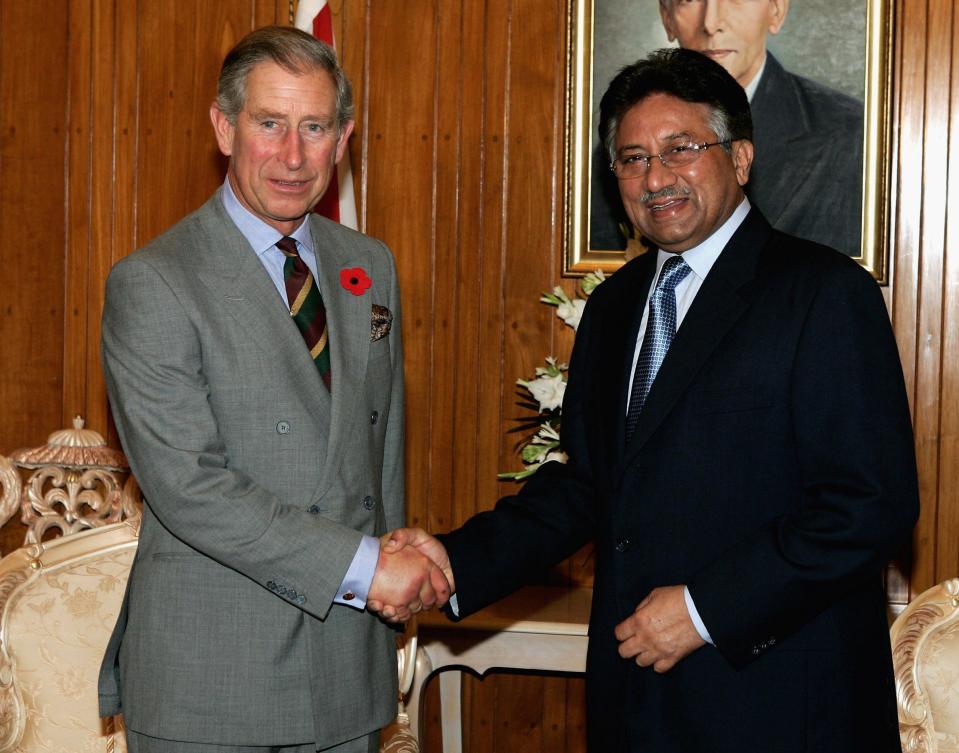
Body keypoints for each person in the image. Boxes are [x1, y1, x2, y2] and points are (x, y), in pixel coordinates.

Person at [381, 48, 917, 752]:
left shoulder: (821, 293)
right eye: (631, 159)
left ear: (741, 157)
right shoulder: (613, 308)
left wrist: (704, 609)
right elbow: (585, 484)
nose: (655, 177)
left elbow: (868, 504)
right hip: (639, 703)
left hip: (782, 703)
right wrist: (456, 560)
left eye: (680, 148)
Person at [97, 26, 448, 753]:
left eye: (314, 127)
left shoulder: (367, 264)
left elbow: (376, 444)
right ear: (224, 128)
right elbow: (190, 486)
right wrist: (367, 567)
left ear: (343, 138)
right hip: (212, 680)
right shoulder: (155, 282)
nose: (293, 156)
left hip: (346, 669)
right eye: (269, 124)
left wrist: (392, 545)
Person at [592, 0, 864, 258]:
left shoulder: (848, 132)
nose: (711, 23)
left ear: (777, 10)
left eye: (680, 149)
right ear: (667, 18)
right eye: (690, 0)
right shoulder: (614, 298)